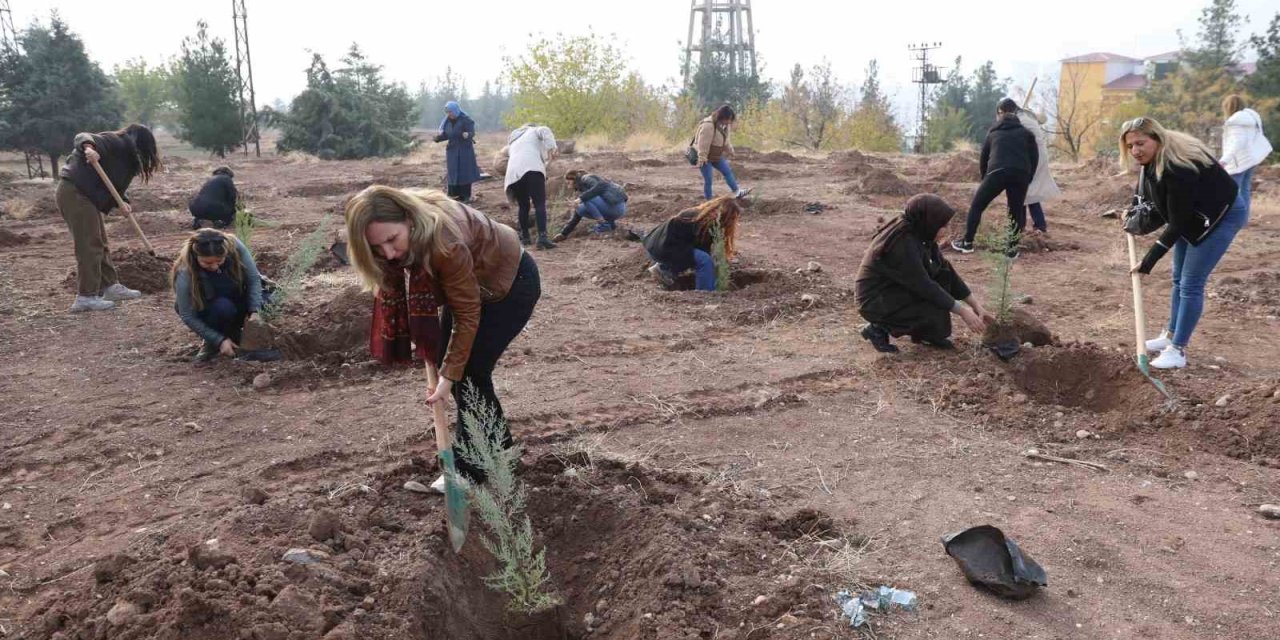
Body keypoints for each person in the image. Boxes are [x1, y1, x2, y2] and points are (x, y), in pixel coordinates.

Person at [345, 186, 540, 488]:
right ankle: (499, 454)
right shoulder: (399, 226)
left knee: (469, 372)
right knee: (453, 365)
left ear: (408, 219)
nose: (389, 254)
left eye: (392, 241)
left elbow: (466, 314)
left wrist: (448, 378)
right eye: (376, 248)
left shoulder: (445, 241)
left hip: (509, 286)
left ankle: (471, 469)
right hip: (471, 286)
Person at [1122, 117, 1243, 370]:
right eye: (1130, 145)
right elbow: (1145, 195)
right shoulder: (1151, 162)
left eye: (1140, 143)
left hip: (1221, 215)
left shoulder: (1177, 168)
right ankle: (1169, 335)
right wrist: (1131, 213)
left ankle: (1177, 350)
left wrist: (1149, 261)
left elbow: (1177, 222)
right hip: (1195, 213)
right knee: (1178, 278)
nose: (1135, 151)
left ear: (1157, 139)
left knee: (1191, 283)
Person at [856, 194, 995, 352]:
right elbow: (924, 286)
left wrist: (976, 306)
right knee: (934, 299)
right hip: (875, 300)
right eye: (943, 225)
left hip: (895, 290)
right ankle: (879, 328)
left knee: (942, 281)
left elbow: (945, 270)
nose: (946, 230)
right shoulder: (902, 244)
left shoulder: (921, 232)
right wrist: (963, 312)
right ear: (929, 221)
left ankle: (925, 334)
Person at [56, 123, 162, 312]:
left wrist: (122, 200)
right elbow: (83, 134)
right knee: (90, 244)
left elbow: (113, 181)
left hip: (88, 196)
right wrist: (88, 148)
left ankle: (110, 287)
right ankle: (86, 297)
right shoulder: (115, 141)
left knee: (101, 243)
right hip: (75, 192)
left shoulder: (127, 158)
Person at [952, 98, 1038, 257]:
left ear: (1000, 113)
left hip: (996, 172)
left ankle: (967, 242)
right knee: (1015, 211)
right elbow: (1034, 157)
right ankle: (1011, 250)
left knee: (977, 206)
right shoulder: (1027, 134)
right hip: (1020, 174)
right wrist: (1028, 177)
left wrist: (986, 178)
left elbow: (983, 159)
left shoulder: (993, 133)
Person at [171, 229, 265, 363]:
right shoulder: (184, 271)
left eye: (220, 261)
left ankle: (241, 336)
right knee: (223, 308)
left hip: (237, 297)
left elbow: (254, 279)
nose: (214, 267)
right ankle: (215, 341)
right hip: (214, 310)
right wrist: (219, 340)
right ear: (196, 256)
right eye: (207, 263)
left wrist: (255, 310)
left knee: (268, 300)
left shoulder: (234, 246)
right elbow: (187, 314)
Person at [642, 195, 741, 291]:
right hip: (663, 247)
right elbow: (686, 246)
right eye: (716, 210)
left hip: (660, 245)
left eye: (720, 214)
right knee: (704, 260)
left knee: (700, 256)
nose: (715, 214)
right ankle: (705, 293)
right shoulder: (694, 218)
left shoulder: (705, 221)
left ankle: (664, 269)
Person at [502, 123, 558, 249]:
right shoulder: (534, 131)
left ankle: (525, 237)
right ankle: (542, 238)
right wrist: (552, 148)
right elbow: (545, 129)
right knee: (539, 203)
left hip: (513, 174)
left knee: (524, 205)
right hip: (531, 169)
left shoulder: (514, 140)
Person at [1220, 94, 1272, 216]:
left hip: (1239, 161)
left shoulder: (1235, 123)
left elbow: (1237, 143)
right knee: (1245, 189)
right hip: (1251, 159)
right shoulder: (1251, 118)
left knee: (1232, 190)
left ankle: (1235, 216)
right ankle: (1243, 217)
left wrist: (1224, 161)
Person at [1016, 108, 1060, 234]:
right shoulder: (1030, 122)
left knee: (1024, 195)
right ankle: (1036, 225)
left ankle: (1023, 226)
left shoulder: (1024, 121)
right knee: (1029, 195)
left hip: (1031, 162)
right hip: (1036, 160)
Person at [553, 170, 629, 241]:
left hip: (617, 206)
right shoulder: (583, 190)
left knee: (585, 199)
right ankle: (610, 224)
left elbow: (601, 186)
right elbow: (577, 216)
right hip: (614, 208)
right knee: (579, 209)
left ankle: (604, 225)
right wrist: (564, 233)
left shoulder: (586, 178)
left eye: (569, 183)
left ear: (574, 179)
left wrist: (580, 199)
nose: (568, 186)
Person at [694, 105, 750, 201]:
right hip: (705, 157)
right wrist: (702, 157)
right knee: (708, 180)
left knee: (727, 172)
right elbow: (702, 143)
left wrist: (730, 151)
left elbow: (726, 141)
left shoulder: (725, 125)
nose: (730, 122)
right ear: (723, 117)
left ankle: (737, 191)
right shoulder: (708, 125)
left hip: (716, 155)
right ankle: (709, 201)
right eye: (728, 119)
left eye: (730, 120)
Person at [433, 101, 481, 203]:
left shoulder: (466, 120)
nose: (449, 114)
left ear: (455, 110)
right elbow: (447, 135)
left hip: (465, 150)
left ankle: (465, 196)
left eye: (450, 112)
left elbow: (472, 132)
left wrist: (468, 135)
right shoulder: (447, 122)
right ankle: (454, 194)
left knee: (464, 173)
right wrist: (438, 138)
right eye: (447, 112)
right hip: (452, 150)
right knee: (453, 172)